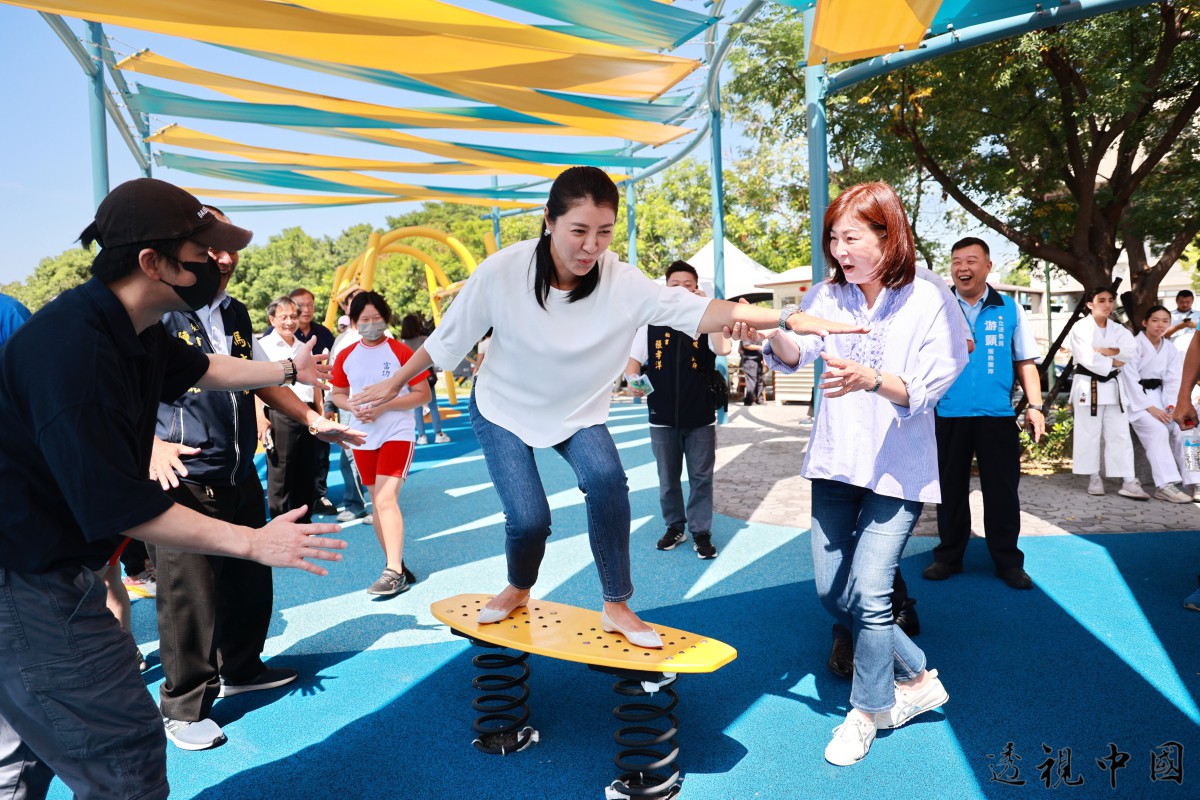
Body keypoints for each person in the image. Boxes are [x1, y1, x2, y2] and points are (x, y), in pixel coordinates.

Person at [350, 166, 862, 649]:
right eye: (578, 230)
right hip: (503, 406)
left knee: (609, 485)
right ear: (547, 222)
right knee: (529, 519)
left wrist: (789, 318)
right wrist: (394, 383)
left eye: (604, 232)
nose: (590, 246)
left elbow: (705, 310)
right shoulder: (502, 271)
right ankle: (518, 586)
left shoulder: (623, 282)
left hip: (577, 412)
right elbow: (447, 338)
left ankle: (617, 605)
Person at [0, 177, 346, 799]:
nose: (218, 264)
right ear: (151, 263)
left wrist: (289, 368)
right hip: (26, 579)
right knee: (124, 755)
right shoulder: (74, 350)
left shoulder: (132, 328)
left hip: (33, 570)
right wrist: (253, 542)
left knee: (25, 755)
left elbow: (205, 368)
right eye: (202, 253)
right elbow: (121, 505)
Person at [740, 181, 968, 766]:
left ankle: (865, 713)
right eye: (834, 239)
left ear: (887, 236)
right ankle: (917, 676)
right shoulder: (828, 294)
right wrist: (771, 336)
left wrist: (872, 380)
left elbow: (930, 384)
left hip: (898, 469)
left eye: (853, 237)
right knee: (831, 591)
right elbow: (798, 352)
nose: (841, 251)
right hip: (837, 461)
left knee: (870, 592)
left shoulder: (929, 297)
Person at [147, 206, 365, 750]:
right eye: (209, 246)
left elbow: (254, 381)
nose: (223, 257)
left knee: (249, 579)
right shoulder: (157, 313)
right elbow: (118, 387)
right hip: (183, 473)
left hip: (239, 467)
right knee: (188, 596)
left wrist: (313, 418)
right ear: (182, 251)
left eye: (229, 247)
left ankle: (242, 666)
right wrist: (147, 445)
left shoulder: (238, 314)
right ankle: (183, 704)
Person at [924, 237, 1046, 590]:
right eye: (957, 260)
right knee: (949, 489)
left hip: (997, 416)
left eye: (972, 260)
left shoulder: (1009, 308)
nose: (963, 267)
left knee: (1003, 491)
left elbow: (1025, 361)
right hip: (948, 413)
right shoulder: (939, 307)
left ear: (988, 266)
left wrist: (1035, 407)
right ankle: (948, 556)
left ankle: (1007, 561)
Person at [625, 260, 731, 560]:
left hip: (701, 417)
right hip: (661, 418)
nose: (682, 290)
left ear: (696, 288)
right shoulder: (650, 323)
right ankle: (675, 526)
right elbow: (632, 363)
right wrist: (633, 382)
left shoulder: (707, 321)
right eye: (675, 286)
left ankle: (701, 532)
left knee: (701, 477)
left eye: (688, 285)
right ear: (665, 289)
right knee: (667, 479)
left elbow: (723, 350)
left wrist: (710, 308)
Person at [332, 292, 431, 595]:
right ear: (353, 322)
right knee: (377, 503)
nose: (371, 325)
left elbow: (423, 394)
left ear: (386, 319)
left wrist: (386, 405)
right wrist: (352, 408)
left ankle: (392, 572)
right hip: (363, 437)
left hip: (396, 433)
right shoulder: (346, 355)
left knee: (386, 499)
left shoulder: (401, 352)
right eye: (365, 320)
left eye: (377, 318)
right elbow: (337, 393)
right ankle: (395, 563)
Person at [1068, 287, 1148, 499]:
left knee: (1120, 434)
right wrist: (1114, 355)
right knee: (1089, 433)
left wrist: (1102, 350)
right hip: (1088, 385)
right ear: (1089, 304)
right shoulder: (1080, 327)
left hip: (1114, 386)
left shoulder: (1118, 328)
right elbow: (1087, 358)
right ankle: (1094, 477)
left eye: (1110, 300)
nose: (1107, 304)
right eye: (1101, 300)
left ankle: (1129, 480)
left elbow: (1130, 351)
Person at [1119, 305, 1195, 503]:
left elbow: (1173, 379)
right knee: (1158, 430)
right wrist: (1150, 408)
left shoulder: (1170, 348)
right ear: (1145, 322)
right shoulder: (1133, 346)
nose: (1160, 325)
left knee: (1187, 429)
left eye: (1165, 321)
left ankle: (1196, 482)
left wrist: (1172, 406)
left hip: (1163, 399)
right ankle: (1165, 485)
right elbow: (1130, 380)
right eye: (1155, 320)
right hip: (1138, 403)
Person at [259, 296, 324, 523]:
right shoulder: (263, 347)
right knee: (281, 473)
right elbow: (257, 386)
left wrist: (320, 412)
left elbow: (315, 384)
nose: (289, 322)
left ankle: (304, 523)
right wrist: (261, 418)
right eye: (283, 317)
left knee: (307, 470)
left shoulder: (302, 346)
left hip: (307, 414)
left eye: (293, 317)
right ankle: (280, 522)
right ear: (272, 319)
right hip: (279, 414)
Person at [290, 287, 338, 515]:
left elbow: (332, 368)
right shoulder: (282, 332)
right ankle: (291, 500)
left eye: (310, 304)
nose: (305, 310)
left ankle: (319, 495)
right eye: (300, 305)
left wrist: (328, 404)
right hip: (286, 403)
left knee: (320, 450)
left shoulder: (324, 333)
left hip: (316, 400)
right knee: (289, 455)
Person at [400, 313, 451, 445]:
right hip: (427, 377)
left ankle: (421, 436)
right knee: (433, 405)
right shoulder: (424, 340)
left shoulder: (402, 344)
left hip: (411, 378)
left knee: (417, 408)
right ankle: (438, 433)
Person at [1167, 289, 1196, 355]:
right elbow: (1163, 335)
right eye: (1182, 302)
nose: (1185, 304)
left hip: (1195, 351)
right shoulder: (1168, 315)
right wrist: (1178, 327)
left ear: (1192, 301)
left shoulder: (1198, 314)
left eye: (1188, 302)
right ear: (1176, 301)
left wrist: (1196, 326)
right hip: (1174, 350)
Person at [739, 337, 766, 405]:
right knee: (751, 380)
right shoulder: (747, 333)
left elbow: (740, 350)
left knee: (759, 380)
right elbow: (746, 345)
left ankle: (759, 399)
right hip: (750, 360)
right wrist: (761, 347)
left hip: (757, 360)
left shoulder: (757, 335)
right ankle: (749, 400)